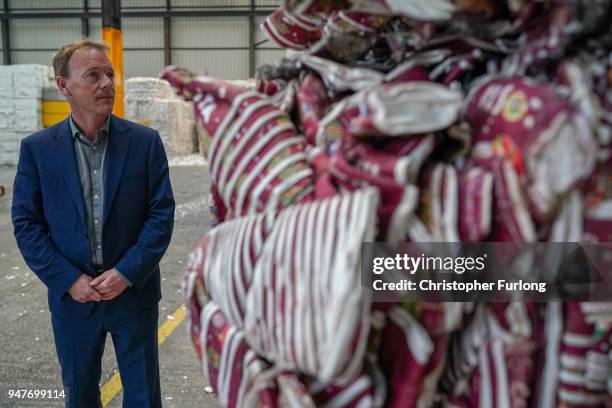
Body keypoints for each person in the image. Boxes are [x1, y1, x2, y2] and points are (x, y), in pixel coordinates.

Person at [12, 38, 175, 408]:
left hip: (133, 294)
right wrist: (69, 279)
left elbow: (160, 215)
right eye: (93, 75)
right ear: (63, 86)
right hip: (73, 299)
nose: (107, 83)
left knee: (143, 396)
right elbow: (27, 224)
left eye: (110, 74)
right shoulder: (38, 150)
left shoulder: (144, 143)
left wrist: (126, 272)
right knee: (80, 394)